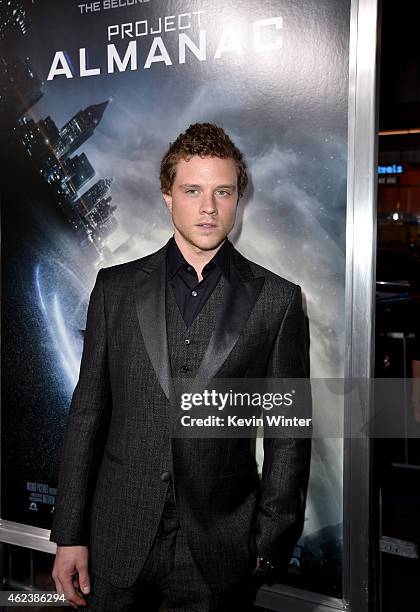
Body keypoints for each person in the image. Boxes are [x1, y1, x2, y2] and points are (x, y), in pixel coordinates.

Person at [50, 122, 312, 611]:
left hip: (220, 551)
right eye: (193, 190)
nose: (209, 207)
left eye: (223, 192)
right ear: (168, 196)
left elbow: (288, 433)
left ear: (238, 199)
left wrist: (269, 543)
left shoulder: (278, 300)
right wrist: (69, 533)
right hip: (117, 540)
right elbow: (87, 415)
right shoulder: (115, 289)